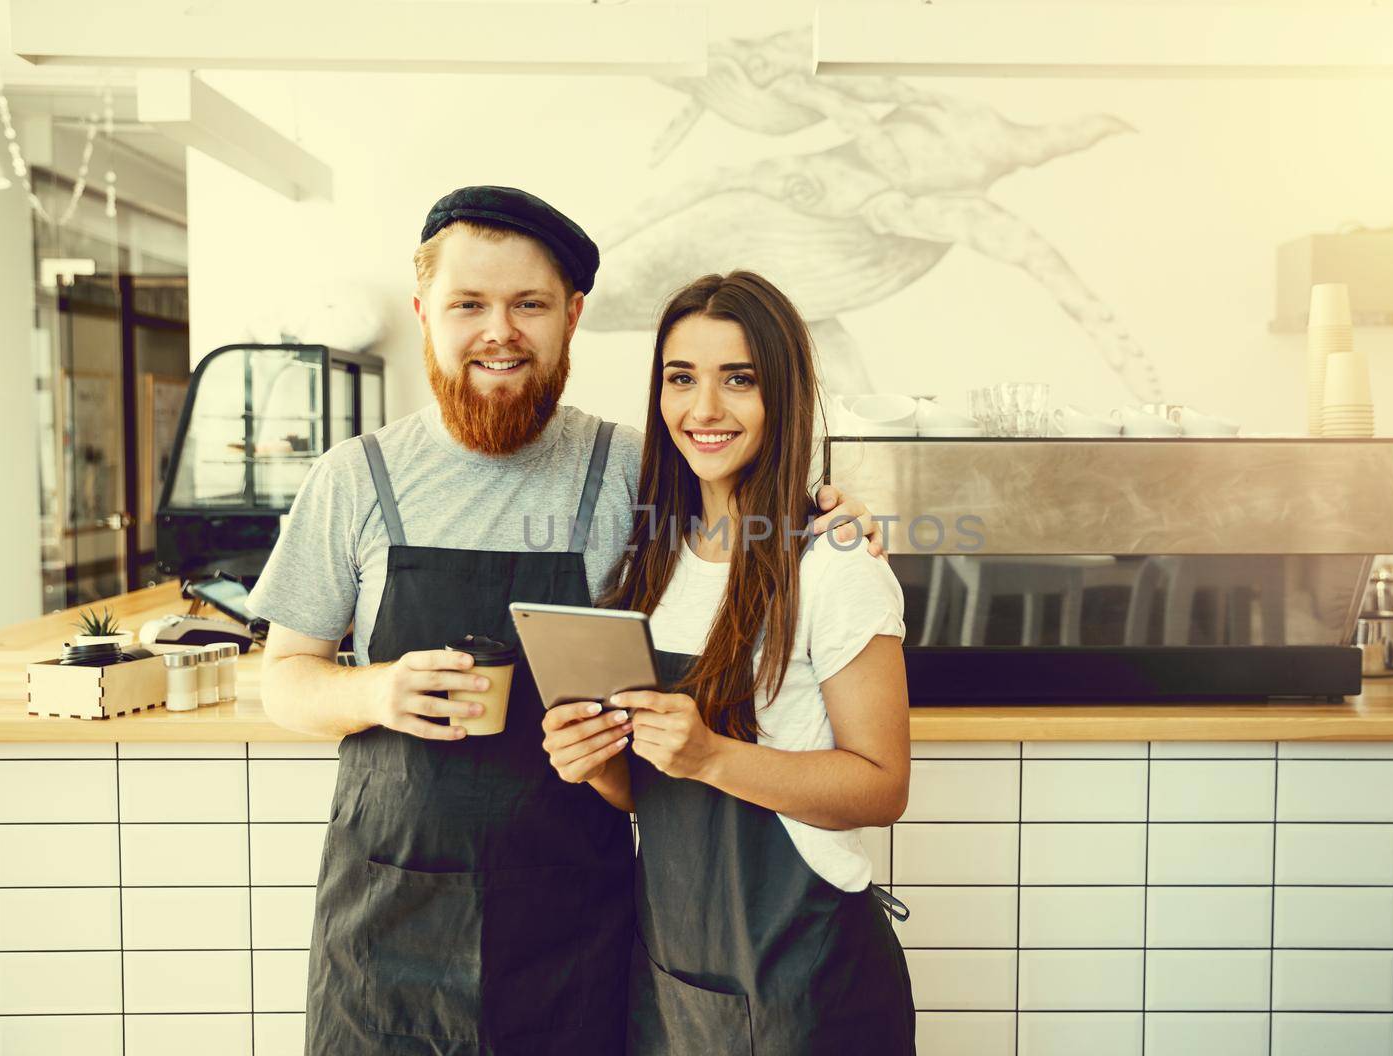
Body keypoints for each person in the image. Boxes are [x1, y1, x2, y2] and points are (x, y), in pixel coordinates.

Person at [249, 188, 883, 1055]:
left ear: (572, 317)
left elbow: (740, 492)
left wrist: (828, 508)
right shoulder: (353, 479)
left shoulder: (632, 471)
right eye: (468, 304)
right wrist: (377, 691)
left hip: (575, 926)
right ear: (424, 313)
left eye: (529, 305)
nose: (498, 331)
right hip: (386, 923)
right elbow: (283, 682)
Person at [543, 270, 915, 1054]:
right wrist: (599, 764)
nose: (703, 410)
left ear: (783, 395)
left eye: (738, 380)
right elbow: (652, 795)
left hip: (809, 987)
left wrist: (711, 754)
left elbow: (882, 786)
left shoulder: (835, 563)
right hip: (675, 981)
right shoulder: (652, 563)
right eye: (682, 379)